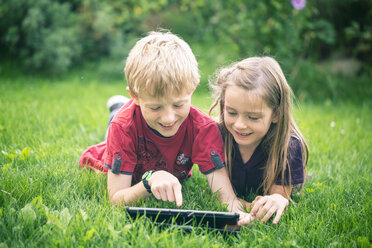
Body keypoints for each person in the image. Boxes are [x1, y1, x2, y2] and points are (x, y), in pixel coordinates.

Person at [79, 31, 252, 225]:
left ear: (192, 88)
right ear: (135, 96)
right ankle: (118, 107)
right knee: (113, 125)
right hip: (123, 136)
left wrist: (237, 211)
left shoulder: (203, 128)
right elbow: (116, 198)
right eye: (156, 107)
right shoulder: (123, 127)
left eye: (178, 105)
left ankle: (127, 106)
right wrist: (148, 182)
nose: (169, 118)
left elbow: (225, 196)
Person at [209, 56, 309, 225]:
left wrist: (277, 199)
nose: (240, 125)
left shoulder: (288, 146)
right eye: (232, 113)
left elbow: (275, 198)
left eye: (253, 117)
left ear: (276, 114)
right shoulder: (217, 134)